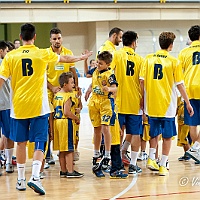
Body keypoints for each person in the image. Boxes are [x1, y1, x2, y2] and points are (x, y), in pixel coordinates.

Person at [0, 23, 92, 195]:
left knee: (20, 143)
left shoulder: (10, 56)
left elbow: (1, 80)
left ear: (20, 37)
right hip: (39, 106)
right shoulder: (42, 53)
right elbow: (64, 59)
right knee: (39, 142)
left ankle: (20, 179)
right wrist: (82, 58)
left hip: (18, 107)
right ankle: (35, 176)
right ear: (35, 37)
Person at [140, 31, 193, 176]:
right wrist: (187, 102)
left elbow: (141, 82)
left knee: (154, 133)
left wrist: (143, 101)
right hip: (167, 104)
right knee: (167, 136)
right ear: (171, 45)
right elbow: (180, 85)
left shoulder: (148, 59)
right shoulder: (174, 61)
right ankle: (163, 164)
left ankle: (151, 157)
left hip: (151, 103)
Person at [110, 31, 143, 174]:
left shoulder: (116, 55)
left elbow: (108, 73)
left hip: (118, 100)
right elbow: (142, 82)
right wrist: (143, 100)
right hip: (134, 100)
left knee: (117, 132)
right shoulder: (140, 59)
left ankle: (116, 161)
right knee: (135, 133)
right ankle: (134, 164)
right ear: (134, 42)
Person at [46, 27, 79, 166]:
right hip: (50, 93)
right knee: (50, 125)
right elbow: (42, 77)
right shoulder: (46, 54)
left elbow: (73, 71)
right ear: (50, 40)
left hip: (67, 93)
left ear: (62, 38)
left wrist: (77, 89)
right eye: (54, 38)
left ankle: (69, 151)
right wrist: (52, 87)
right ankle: (47, 155)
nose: (57, 41)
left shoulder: (68, 53)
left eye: (59, 38)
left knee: (71, 122)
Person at [88, 51, 118, 177]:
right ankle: (96, 154)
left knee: (106, 128)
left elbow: (115, 88)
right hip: (94, 102)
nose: (98, 65)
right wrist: (88, 90)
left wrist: (109, 89)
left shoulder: (110, 74)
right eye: (97, 62)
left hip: (105, 102)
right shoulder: (95, 71)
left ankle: (107, 154)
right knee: (96, 129)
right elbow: (93, 82)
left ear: (108, 64)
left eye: (100, 64)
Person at [53, 72, 84, 178]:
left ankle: (63, 170)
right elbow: (67, 112)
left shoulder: (57, 95)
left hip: (57, 122)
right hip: (66, 123)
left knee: (62, 149)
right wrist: (76, 118)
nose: (74, 85)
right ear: (65, 84)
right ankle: (71, 171)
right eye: (72, 83)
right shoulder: (67, 97)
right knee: (69, 148)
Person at [178, 25, 200, 163]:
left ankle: (195, 149)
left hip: (189, 90)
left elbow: (179, 76)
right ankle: (196, 147)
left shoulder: (183, 52)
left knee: (193, 124)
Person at [0, 40, 15, 175]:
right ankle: (9, 162)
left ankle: (5, 160)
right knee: (9, 134)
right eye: (6, 52)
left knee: (6, 135)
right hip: (5, 105)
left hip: (6, 104)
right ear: (1, 52)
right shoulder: (6, 64)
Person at [177, 97, 191, 161]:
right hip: (180, 122)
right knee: (182, 138)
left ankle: (189, 154)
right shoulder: (179, 98)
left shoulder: (190, 99)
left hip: (187, 122)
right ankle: (186, 153)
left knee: (184, 138)